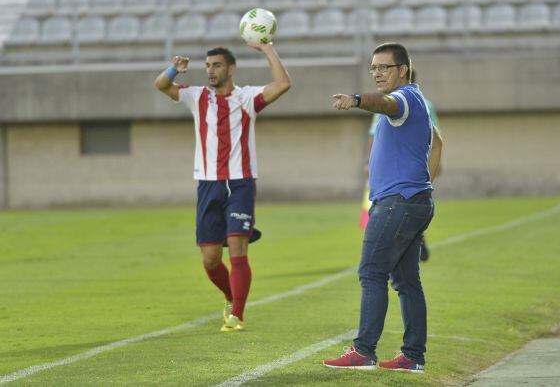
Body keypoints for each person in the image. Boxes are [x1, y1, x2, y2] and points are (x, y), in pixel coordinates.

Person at [154, 44, 291, 332]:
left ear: (231, 69)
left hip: (240, 184)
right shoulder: (197, 96)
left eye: (216, 65)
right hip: (208, 185)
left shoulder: (247, 97)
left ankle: (237, 316)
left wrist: (267, 49)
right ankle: (230, 295)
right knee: (211, 258)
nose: (210, 70)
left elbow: (283, 84)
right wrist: (174, 68)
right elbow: (161, 85)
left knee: (238, 248)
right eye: (207, 65)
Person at [323, 43, 443, 372]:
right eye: (373, 68)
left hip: (397, 204)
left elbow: (384, 103)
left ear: (403, 70)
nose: (377, 73)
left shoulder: (402, 99)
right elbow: (439, 141)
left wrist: (357, 100)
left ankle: (363, 351)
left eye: (384, 67)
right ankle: (412, 357)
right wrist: (423, 184)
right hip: (413, 201)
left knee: (371, 273)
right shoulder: (417, 99)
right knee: (407, 282)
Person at [361, 79, 442, 262]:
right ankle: (414, 240)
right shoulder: (421, 104)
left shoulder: (387, 103)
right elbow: (437, 139)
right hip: (405, 174)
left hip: (397, 173)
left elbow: (435, 138)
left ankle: (402, 243)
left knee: (371, 270)